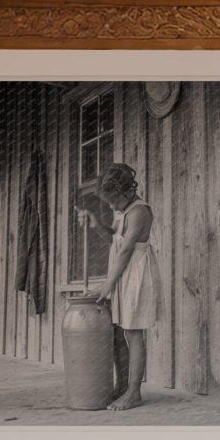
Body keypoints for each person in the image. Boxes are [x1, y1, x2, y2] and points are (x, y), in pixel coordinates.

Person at [78, 163, 158, 410]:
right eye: (108, 202)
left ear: (126, 191)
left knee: (133, 333)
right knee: (118, 333)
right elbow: (114, 237)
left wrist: (106, 286)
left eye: (113, 200)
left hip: (136, 275)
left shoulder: (139, 212)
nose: (111, 206)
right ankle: (122, 385)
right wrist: (94, 223)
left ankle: (134, 393)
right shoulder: (121, 210)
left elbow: (125, 251)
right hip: (121, 274)